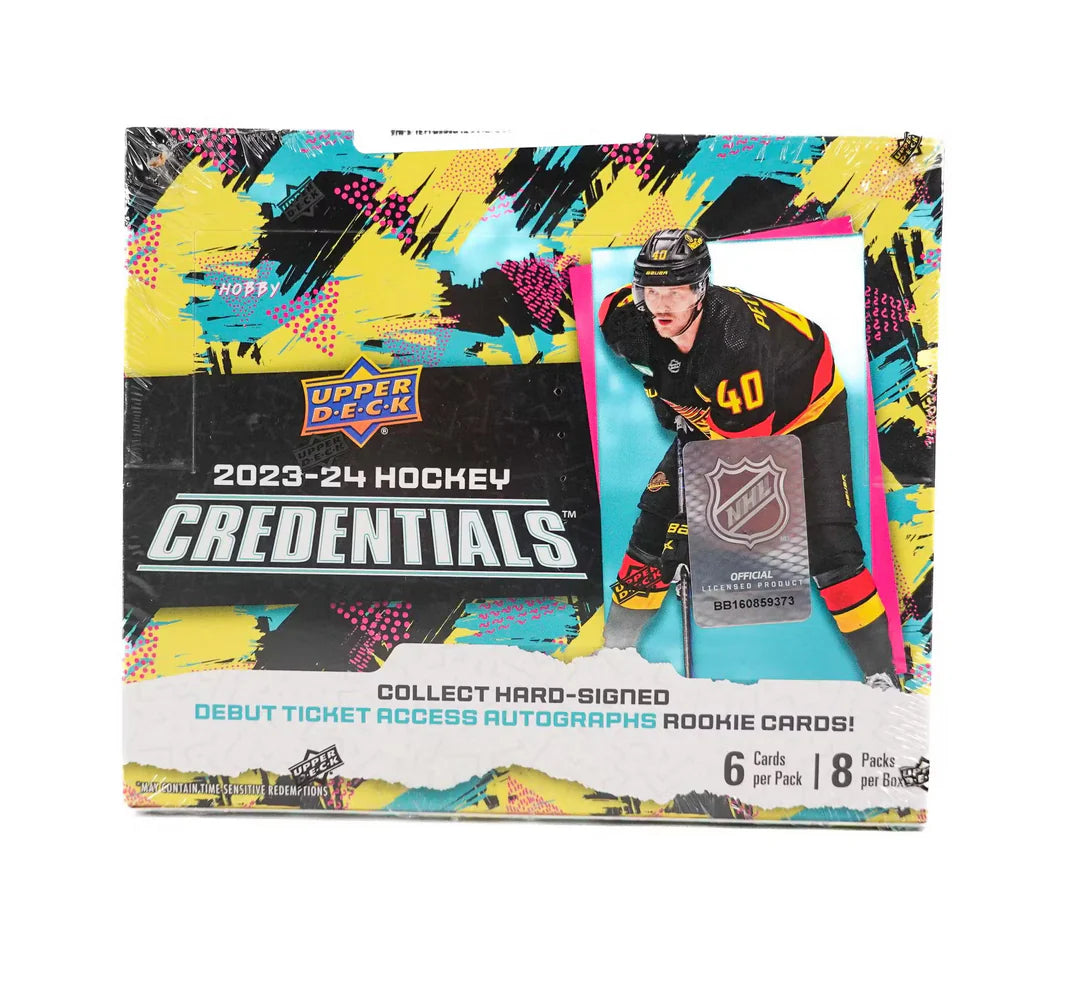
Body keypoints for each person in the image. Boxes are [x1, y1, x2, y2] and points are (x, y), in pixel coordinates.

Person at [599, 228, 902, 690]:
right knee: (654, 529)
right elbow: (641, 350)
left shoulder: (735, 347)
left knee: (830, 546)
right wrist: (663, 388)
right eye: (652, 291)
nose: (662, 305)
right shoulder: (623, 318)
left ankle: (883, 679)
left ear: (701, 290)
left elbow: (747, 461)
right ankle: (612, 660)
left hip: (805, 413)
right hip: (719, 415)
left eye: (676, 292)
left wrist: (696, 532)